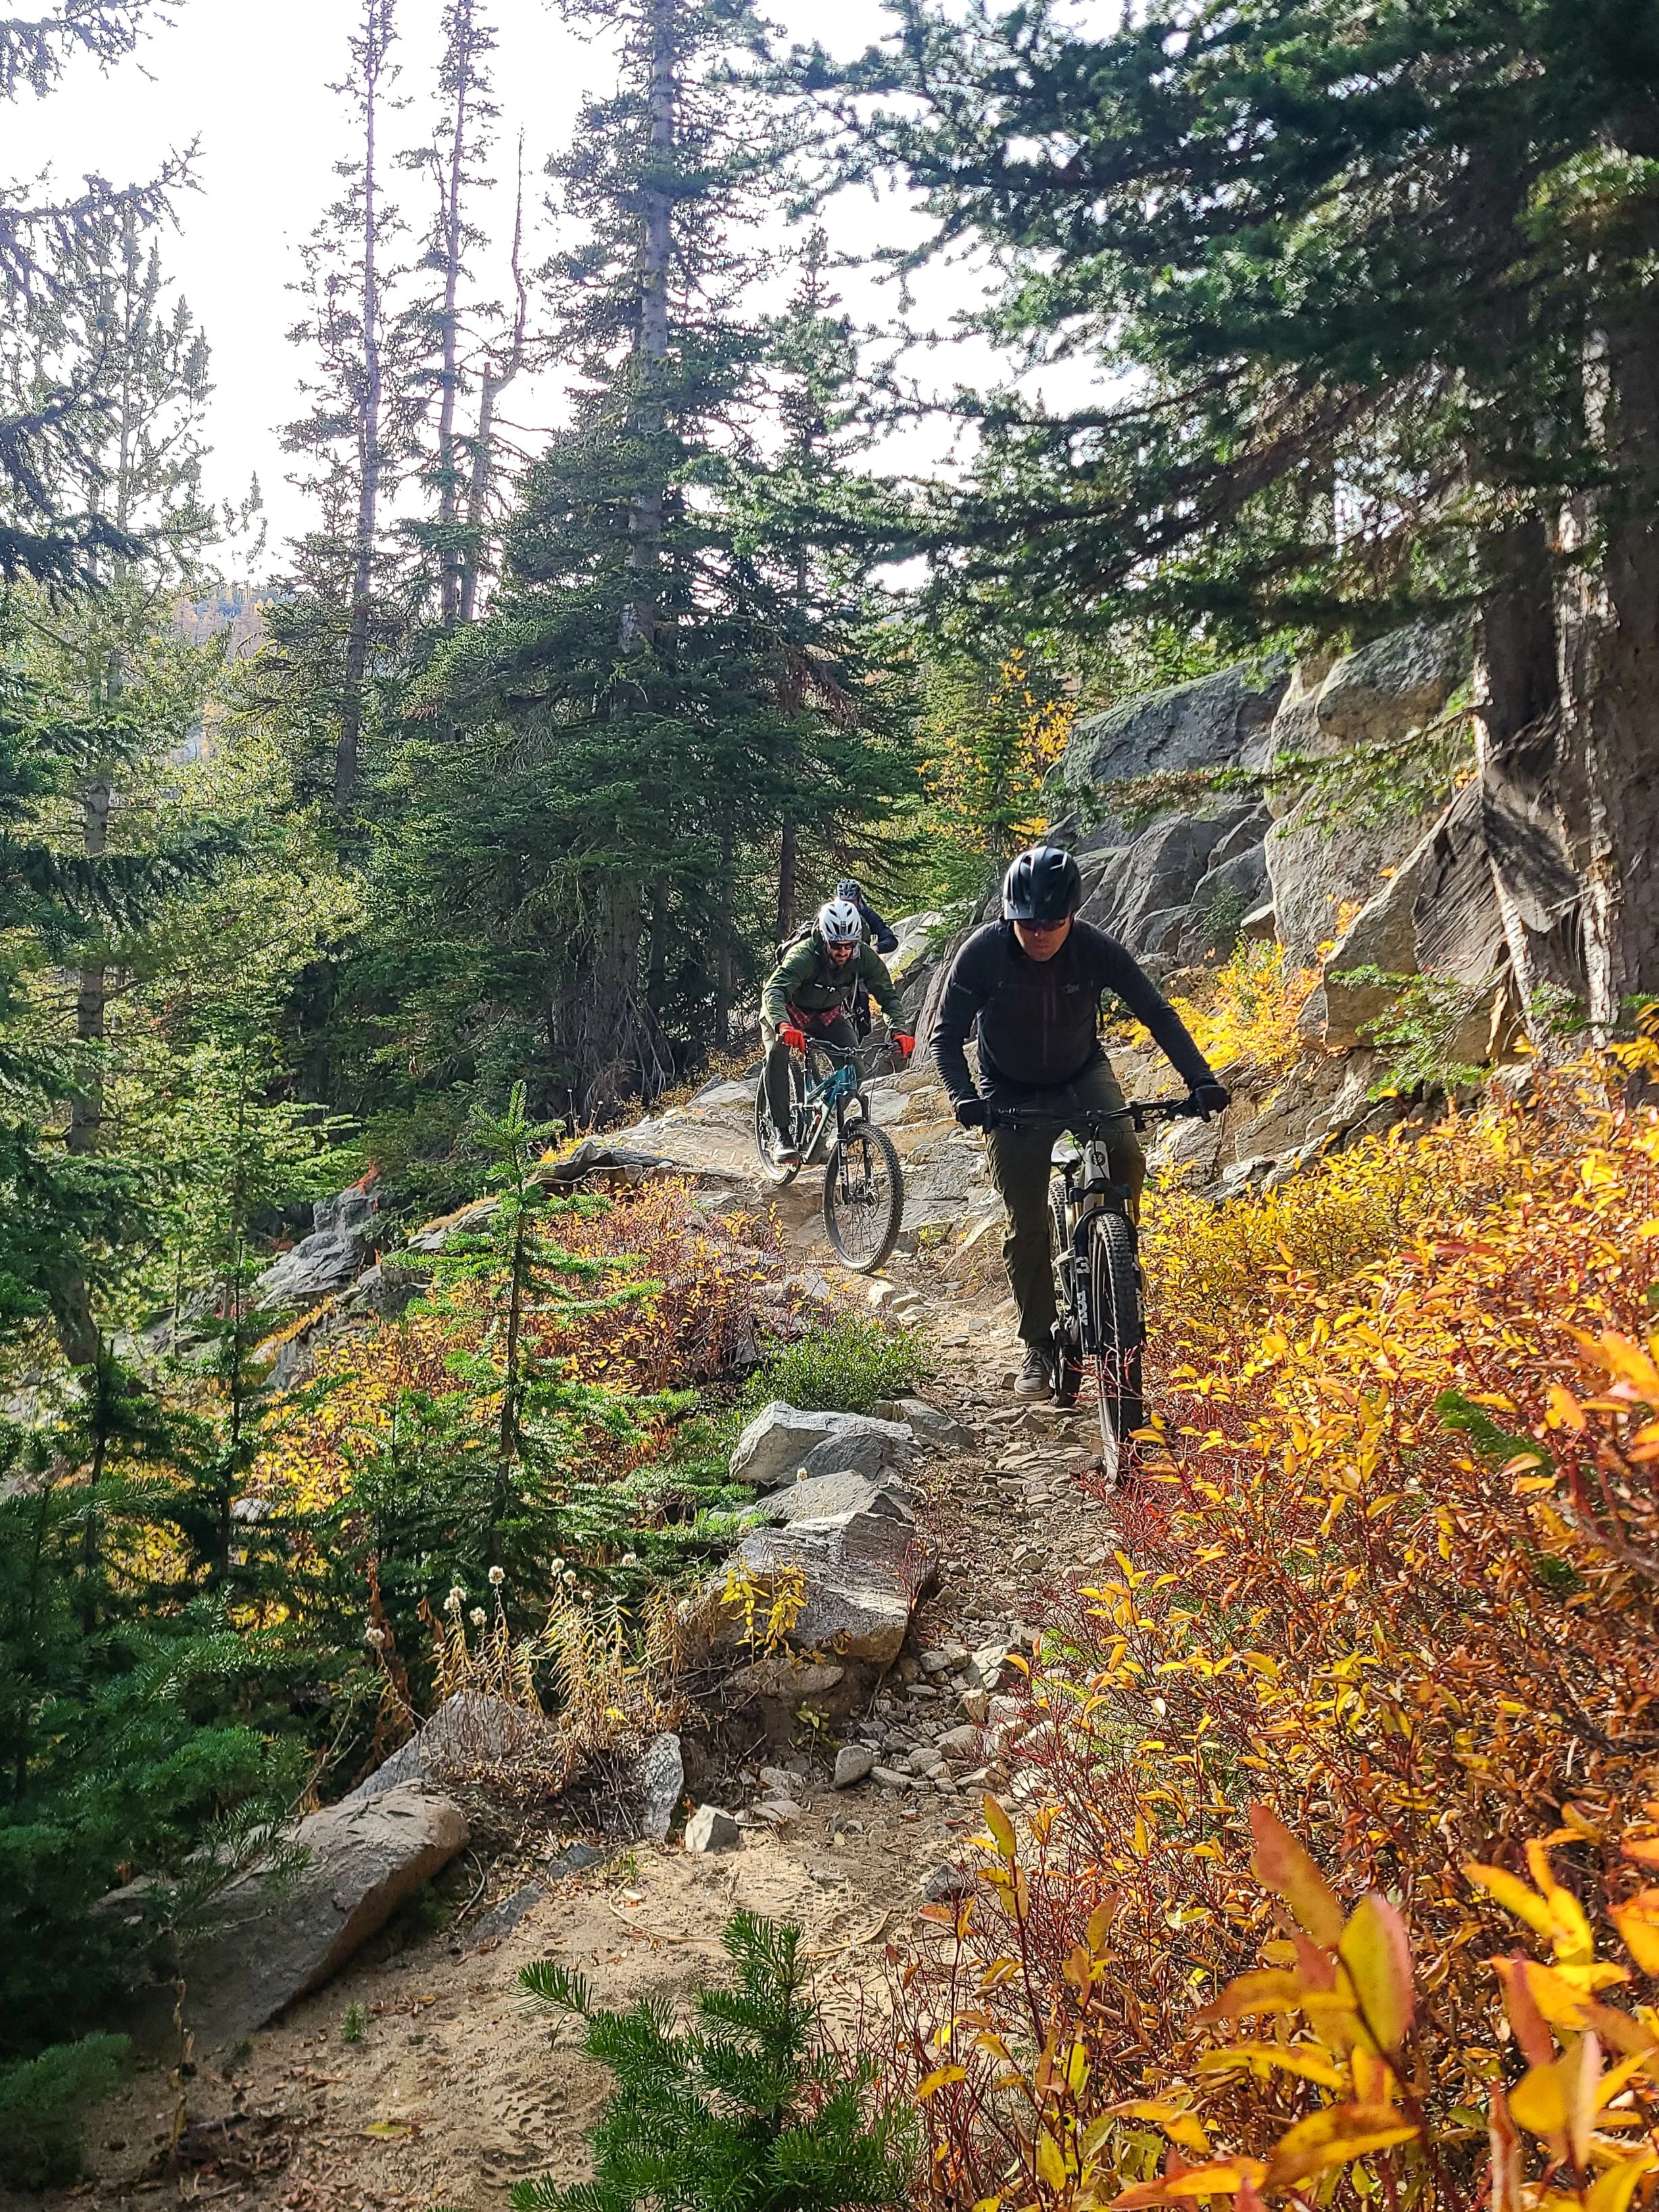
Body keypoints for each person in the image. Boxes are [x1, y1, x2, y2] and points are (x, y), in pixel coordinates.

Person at [932, 842, 1230, 1399]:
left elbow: (1155, 1011)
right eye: (1027, 922)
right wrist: (964, 1096)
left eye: (1052, 922)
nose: (1039, 933)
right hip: (1008, 1090)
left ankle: (1118, 1262)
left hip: (1081, 1073)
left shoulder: (1096, 949)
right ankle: (1038, 1344)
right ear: (1009, 915)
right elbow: (946, 1036)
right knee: (1026, 1224)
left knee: (1126, 1153)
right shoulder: (983, 954)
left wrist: (1200, 1079)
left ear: (1072, 914)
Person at [761, 898, 913, 1167]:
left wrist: (899, 1030)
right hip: (789, 1011)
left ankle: (821, 1123)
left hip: (828, 1014)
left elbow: (888, 996)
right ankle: (782, 1135)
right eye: (836, 945)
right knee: (777, 1053)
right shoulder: (804, 956)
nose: (843, 952)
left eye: (849, 945)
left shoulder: (864, 957)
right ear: (824, 938)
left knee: (855, 1071)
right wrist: (782, 1025)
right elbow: (774, 991)